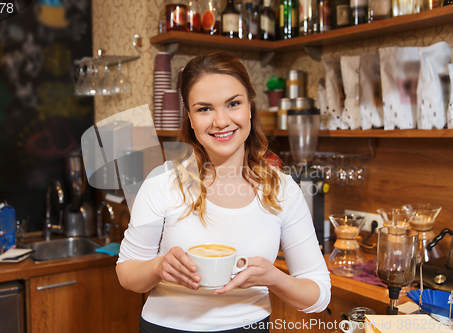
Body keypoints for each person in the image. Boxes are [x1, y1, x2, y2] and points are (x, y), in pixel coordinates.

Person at [116, 51, 331, 333]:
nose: (221, 121)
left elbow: (319, 294)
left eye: (233, 104)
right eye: (204, 109)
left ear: (250, 108)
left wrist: (274, 278)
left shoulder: (282, 190)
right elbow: (127, 272)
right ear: (190, 119)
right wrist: (158, 267)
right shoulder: (163, 182)